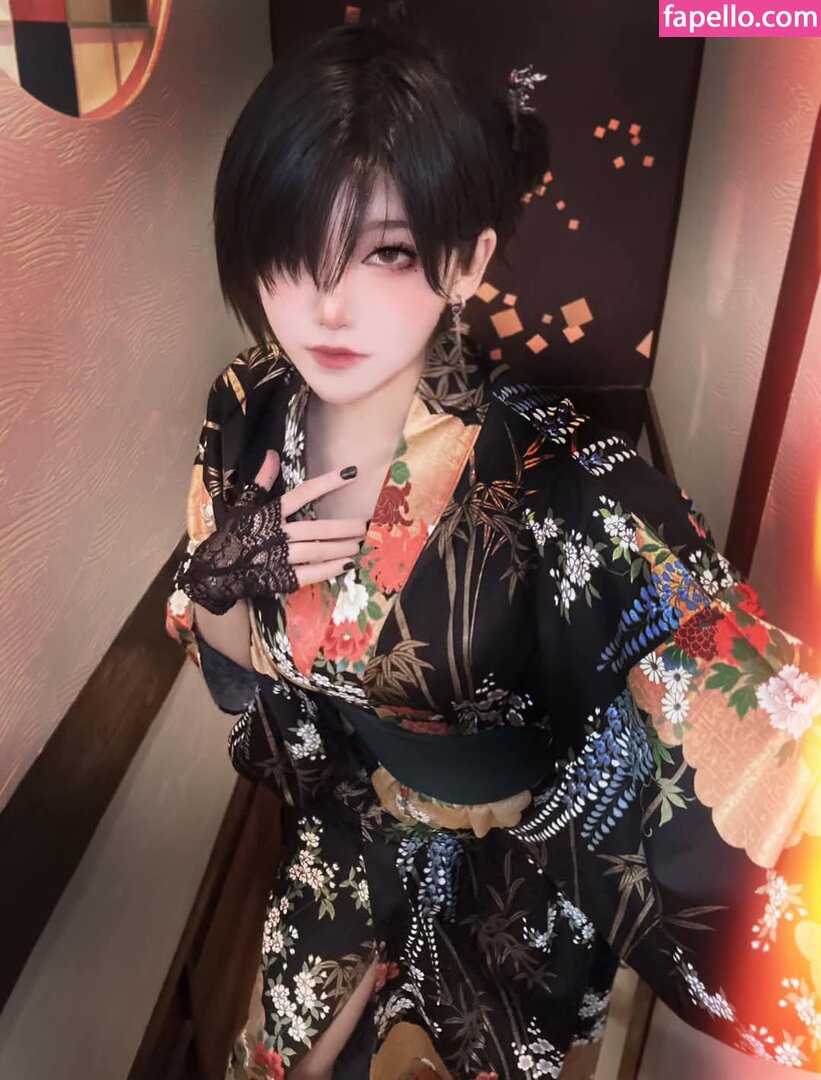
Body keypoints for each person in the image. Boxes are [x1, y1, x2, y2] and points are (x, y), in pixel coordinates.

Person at [165, 22, 821, 1080]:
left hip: (514, 878)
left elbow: (748, 729)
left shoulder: (559, 480)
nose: (324, 302)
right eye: (289, 244)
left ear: (466, 260)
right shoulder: (245, 409)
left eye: (384, 251)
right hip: (353, 828)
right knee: (276, 1057)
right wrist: (219, 590)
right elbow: (241, 683)